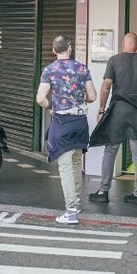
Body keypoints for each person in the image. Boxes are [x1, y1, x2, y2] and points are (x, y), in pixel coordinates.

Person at [88, 32, 137, 205]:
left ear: (123, 44)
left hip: (118, 111)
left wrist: (102, 110)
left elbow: (106, 87)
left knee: (110, 150)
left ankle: (103, 191)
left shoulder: (114, 60)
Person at [36, 36, 97, 225]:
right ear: (70, 48)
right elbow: (92, 96)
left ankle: (71, 211)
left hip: (62, 121)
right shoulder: (82, 68)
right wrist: (78, 99)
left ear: (54, 51)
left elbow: (40, 98)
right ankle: (76, 204)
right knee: (77, 161)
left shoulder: (49, 70)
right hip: (80, 121)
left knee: (65, 166)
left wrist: (51, 106)